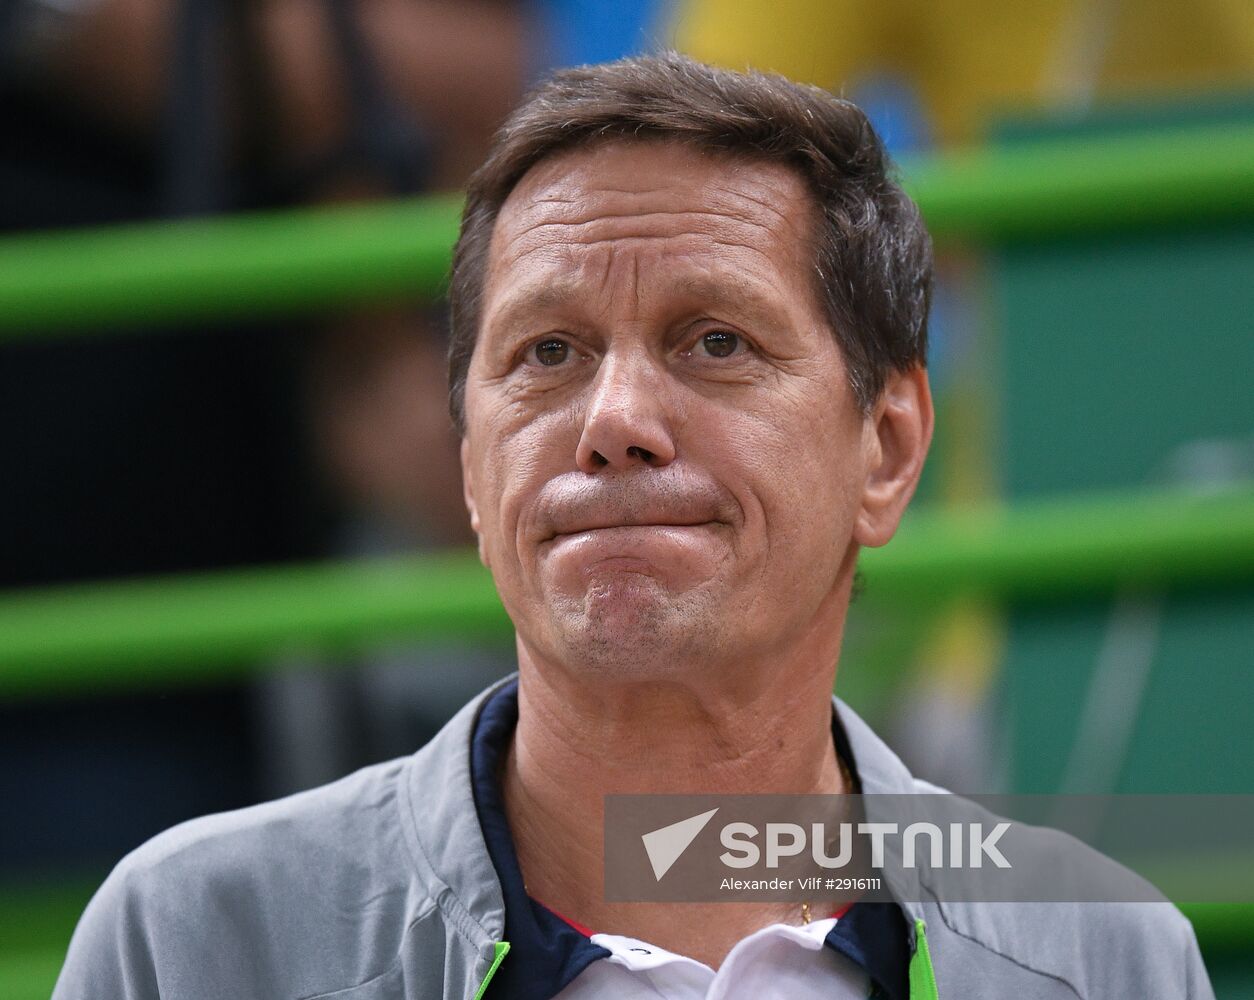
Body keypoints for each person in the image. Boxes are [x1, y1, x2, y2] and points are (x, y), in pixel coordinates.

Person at [53, 53, 1213, 999]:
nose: (613, 422)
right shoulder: (197, 942)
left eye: (716, 341)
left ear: (891, 445)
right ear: (473, 463)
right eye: (546, 352)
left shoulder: (1101, 954)